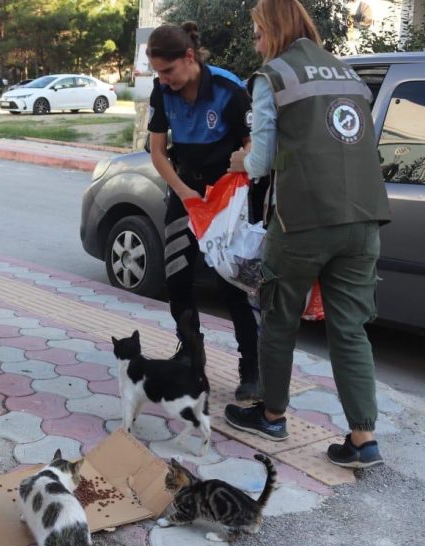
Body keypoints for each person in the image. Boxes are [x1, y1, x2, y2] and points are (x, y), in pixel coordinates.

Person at [223, 0, 390, 468]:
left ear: (273, 28)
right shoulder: (348, 74)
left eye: (257, 32)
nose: (256, 43)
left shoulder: (273, 76)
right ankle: (362, 439)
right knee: (351, 330)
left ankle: (272, 414)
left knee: (279, 320)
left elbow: (260, 161)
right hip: (364, 219)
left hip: (303, 221)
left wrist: (240, 161)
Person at [146, 21, 260, 401]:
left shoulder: (228, 89)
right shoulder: (162, 93)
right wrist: (185, 193)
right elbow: (158, 153)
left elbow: (253, 151)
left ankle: (252, 368)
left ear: (189, 57)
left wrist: (223, 189)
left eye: (168, 71)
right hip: (186, 192)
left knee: (233, 284)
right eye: (157, 73)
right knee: (176, 278)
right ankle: (191, 354)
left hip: (227, 198)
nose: (163, 80)